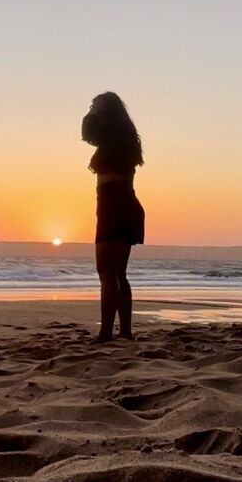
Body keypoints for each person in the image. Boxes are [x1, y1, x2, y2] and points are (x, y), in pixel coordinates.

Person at [81, 93, 145, 342]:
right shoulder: (124, 137)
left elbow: (86, 132)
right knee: (118, 273)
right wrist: (96, 110)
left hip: (114, 204)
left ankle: (106, 332)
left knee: (107, 272)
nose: (93, 107)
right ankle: (125, 331)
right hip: (122, 203)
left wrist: (93, 112)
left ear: (107, 110)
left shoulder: (111, 137)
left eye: (97, 104)